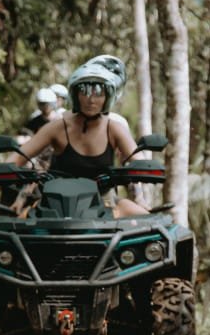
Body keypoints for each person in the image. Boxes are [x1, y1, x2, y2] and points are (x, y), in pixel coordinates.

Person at [15, 55, 150, 218]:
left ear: (108, 96)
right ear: (76, 94)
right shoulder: (56, 127)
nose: (91, 100)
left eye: (99, 92)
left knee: (155, 228)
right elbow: (24, 160)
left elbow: (139, 164)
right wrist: (12, 181)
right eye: (85, 91)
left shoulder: (115, 128)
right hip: (52, 206)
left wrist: (140, 193)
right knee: (9, 232)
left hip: (105, 203)